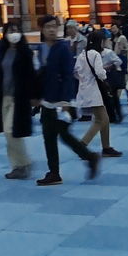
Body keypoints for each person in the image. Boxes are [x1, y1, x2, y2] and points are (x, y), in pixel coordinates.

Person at [35, 15, 100, 185]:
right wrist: (37, 98)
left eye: (54, 26)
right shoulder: (42, 48)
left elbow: (68, 76)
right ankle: (56, 172)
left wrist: (65, 102)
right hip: (48, 100)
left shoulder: (62, 48)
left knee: (61, 135)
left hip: (63, 102)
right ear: (41, 29)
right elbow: (42, 75)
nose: (51, 29)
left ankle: (88, 157)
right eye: (47, 26)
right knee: (51, 137)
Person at [0, 20, 37, 179]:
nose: (13, 34)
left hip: (19, 98)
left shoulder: (25, 53)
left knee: (11, 131)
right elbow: (1, 71)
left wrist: (33, 97)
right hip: (4, 97)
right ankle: (17, 166)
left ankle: (24, 163)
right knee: (8, 133)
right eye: (10, 31)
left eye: (16, 30)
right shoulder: (3, 51)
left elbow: (31, 76)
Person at [74, 30, 122, 158]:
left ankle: (106, 147)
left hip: (84, 89)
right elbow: (100, 73)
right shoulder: (95, 54)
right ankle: (82, 145)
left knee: (103, 119)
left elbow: (76, 72)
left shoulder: (82, 54)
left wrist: (85, 79)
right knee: (101, 120)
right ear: (100, 41)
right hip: (95, 90)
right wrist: (105, 76)